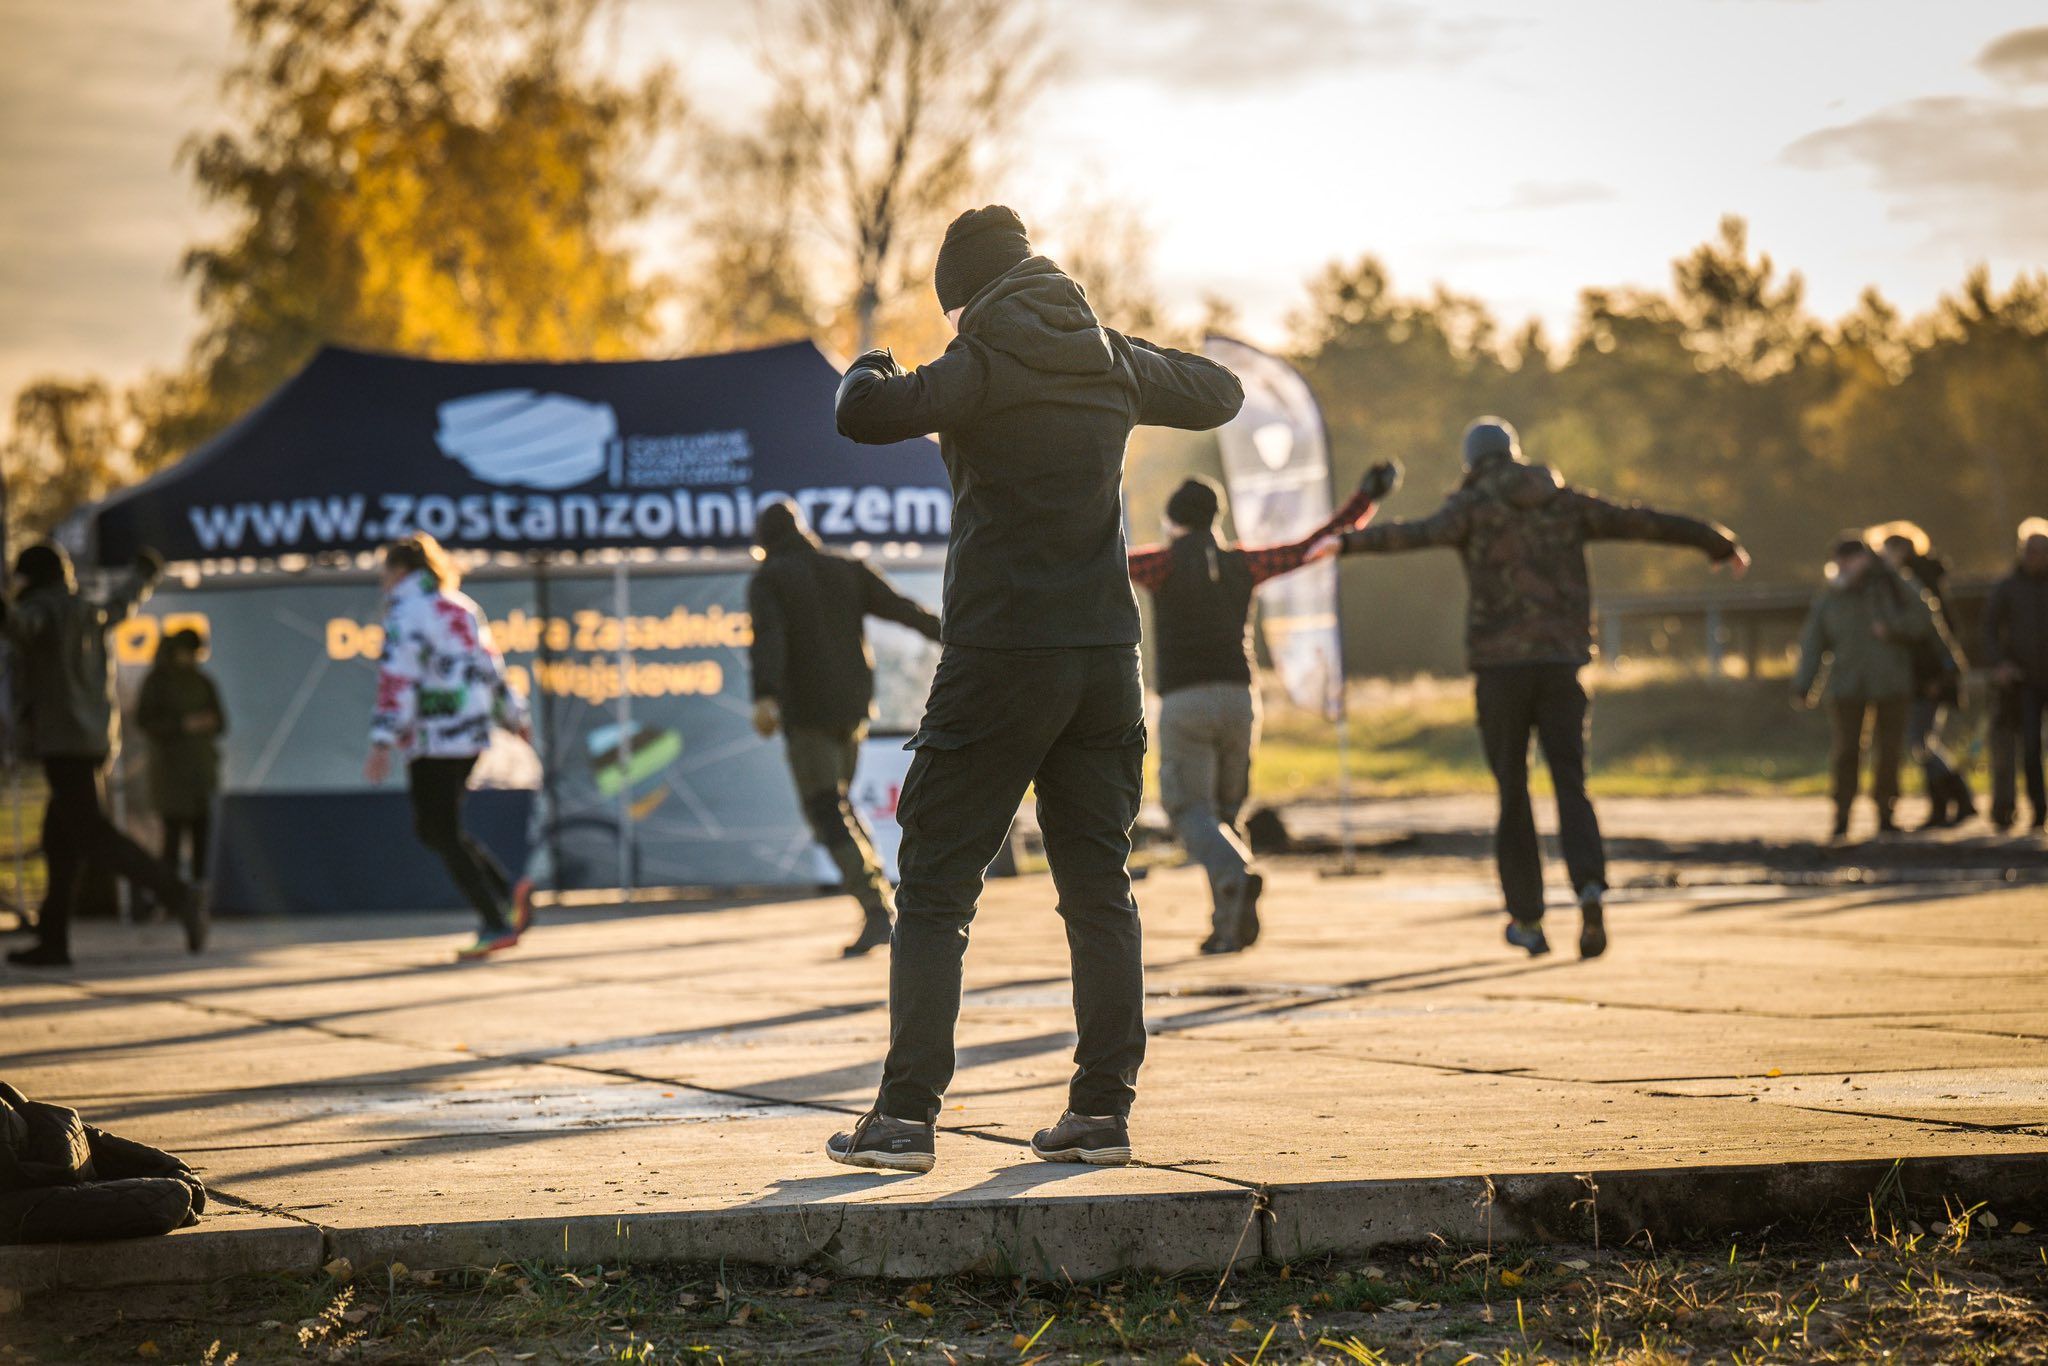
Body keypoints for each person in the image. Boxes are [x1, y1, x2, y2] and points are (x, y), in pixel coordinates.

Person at [826, 205, 1243, 1173]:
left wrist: (874, 362)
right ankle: (1099, 1110)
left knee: (932, 885)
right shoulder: (1107, 355)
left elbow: (861, 413)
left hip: (1001, 653)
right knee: (1098, 887)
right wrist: (1127, 355)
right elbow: (1217, 391)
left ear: (962, 301)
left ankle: (901, 1117)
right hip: (1103, 659)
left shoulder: (976, 361)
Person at [1321, 418, 1747, 959]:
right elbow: (1643, 522)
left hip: (1500, 670)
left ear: (1471, 461)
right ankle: (1590, 889)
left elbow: (1412, 534)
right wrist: (1715, 542)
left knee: (1513, 792)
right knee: (1571, 782)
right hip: (1561, 664)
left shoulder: (1471, 508)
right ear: (1515, 454)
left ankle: (1528, 919)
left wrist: (1340, 546)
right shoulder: (1564, 503)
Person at [1126, 463, 1395, 954]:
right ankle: (1227, 926)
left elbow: (1100, 561)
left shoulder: (1159, 565)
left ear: (1172, 521)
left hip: (1186, 702)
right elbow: (1307, 549)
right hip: (1240, 700)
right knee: (1226, 816)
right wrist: (1365, 499)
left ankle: (1237, 875)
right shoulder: (1242, 563)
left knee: (1189, 809)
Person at [747, 499, 943, 957]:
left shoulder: (769, 579)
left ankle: (877, 911)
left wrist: (764, 695)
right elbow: (903, 610)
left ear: (763, 543)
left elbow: (769, 637)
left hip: (807, 714)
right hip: (853, 709)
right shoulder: (847, 569)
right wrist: (958, 636)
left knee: (825, 810)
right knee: (839, 805)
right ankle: (880, 902)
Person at [2, 542, 204, 966]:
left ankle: (177, 893)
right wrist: (144, 574)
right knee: (60, 841)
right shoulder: (87, 610)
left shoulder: (45, 610)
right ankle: (54, 942)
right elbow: (121, 603)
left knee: (91, 834)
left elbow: (21, 626)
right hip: (94, 740)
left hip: (63, 741)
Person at [364, 533, 533, 961]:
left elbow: (397, 677)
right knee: (441, 827)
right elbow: (492, 666)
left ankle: (495, 918)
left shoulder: (407, 608)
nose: (382, 580)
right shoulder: (461, 606)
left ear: (400, 571)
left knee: (437, 829)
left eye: (385, 572)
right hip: (472, 733)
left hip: (433, 737)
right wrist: (514, 717)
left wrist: (382, 739)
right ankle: (507, 893)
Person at [1792, 534, 1946, 842]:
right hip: (1846, 685)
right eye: (1838, 561)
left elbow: (1924, 618)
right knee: (1847, 752)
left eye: (1847, 560)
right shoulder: (1831, 595)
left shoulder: (1893, 583)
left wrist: (1892, 629)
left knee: (1888, 753)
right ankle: (1842, 816)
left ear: (1863, 558)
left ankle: (1885, 814)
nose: (1841, 567)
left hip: (1892, 682)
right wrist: (1803, 685)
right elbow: (1813, 643)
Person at [1871, 521, 1974, 828]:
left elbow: (1931, 636)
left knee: (1921, 741)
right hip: (1926, 674)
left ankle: (1960, 798)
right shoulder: (1919, 578)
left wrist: (1933, 677)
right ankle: (1943, 807)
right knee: (1923, 740)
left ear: (1901, 550)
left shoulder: (1914, 582)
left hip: (1930, 675)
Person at [137, 629, 227, 886]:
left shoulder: (202, 682)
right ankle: (170, 895)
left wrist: (206, 723)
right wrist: (182, 725)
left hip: (200, 773)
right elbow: (146, 721)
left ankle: (199, 894)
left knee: (202, 837)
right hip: (171, 775)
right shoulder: (157, 682)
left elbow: (221, 722)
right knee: (172, 838)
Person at [1982, 518, 2048, 834]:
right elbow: (1989, 631)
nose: (2033, 556)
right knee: (2030, 748)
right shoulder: (2007, 587)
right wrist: (2001, 664)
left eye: (2039, 550)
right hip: (2025, 681)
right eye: (2028, 550)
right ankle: (2039, 810)